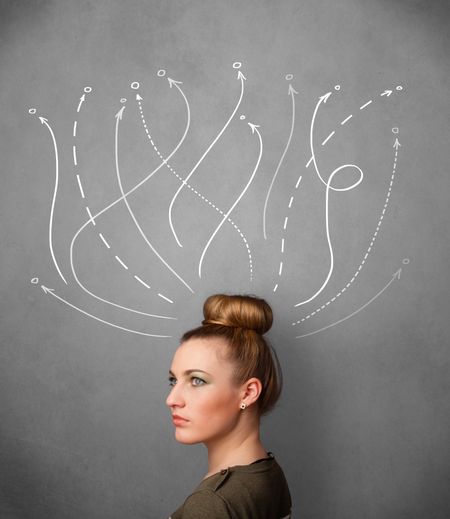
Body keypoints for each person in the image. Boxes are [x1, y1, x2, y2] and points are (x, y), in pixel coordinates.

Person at [167, 294, 292, 518]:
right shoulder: (268, 473)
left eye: (197, 380)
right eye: (173, 380)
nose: (172, 399)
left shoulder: (211, 503)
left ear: (248, 392)